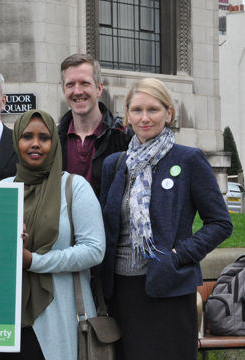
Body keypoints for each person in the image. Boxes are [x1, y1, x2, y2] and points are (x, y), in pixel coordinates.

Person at [100, 78, 233, 360]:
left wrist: (178, 255)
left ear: (168, 113)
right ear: (127, 116)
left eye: (153, 109)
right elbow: (107, 227)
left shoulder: (188, 160)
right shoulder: (115, 165)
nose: (145, 117)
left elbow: (221, 223)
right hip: (120, 293)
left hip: (168, 289)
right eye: (137, 110)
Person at [0, 110, 105, 360]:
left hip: (61, 317)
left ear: (54, 143)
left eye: (44, 137)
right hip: (8, 320)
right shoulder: (3, 189)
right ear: (16, 142)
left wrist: (33, 261)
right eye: (27, 136)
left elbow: (94, 249)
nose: (35, 144)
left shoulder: (74, 187)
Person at [58, 54, 134, 197]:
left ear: (99, 89)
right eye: (70, 84)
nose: (77, 91)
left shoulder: (125, 138)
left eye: (85, 83)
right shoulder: (53, 140)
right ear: (64, 91)